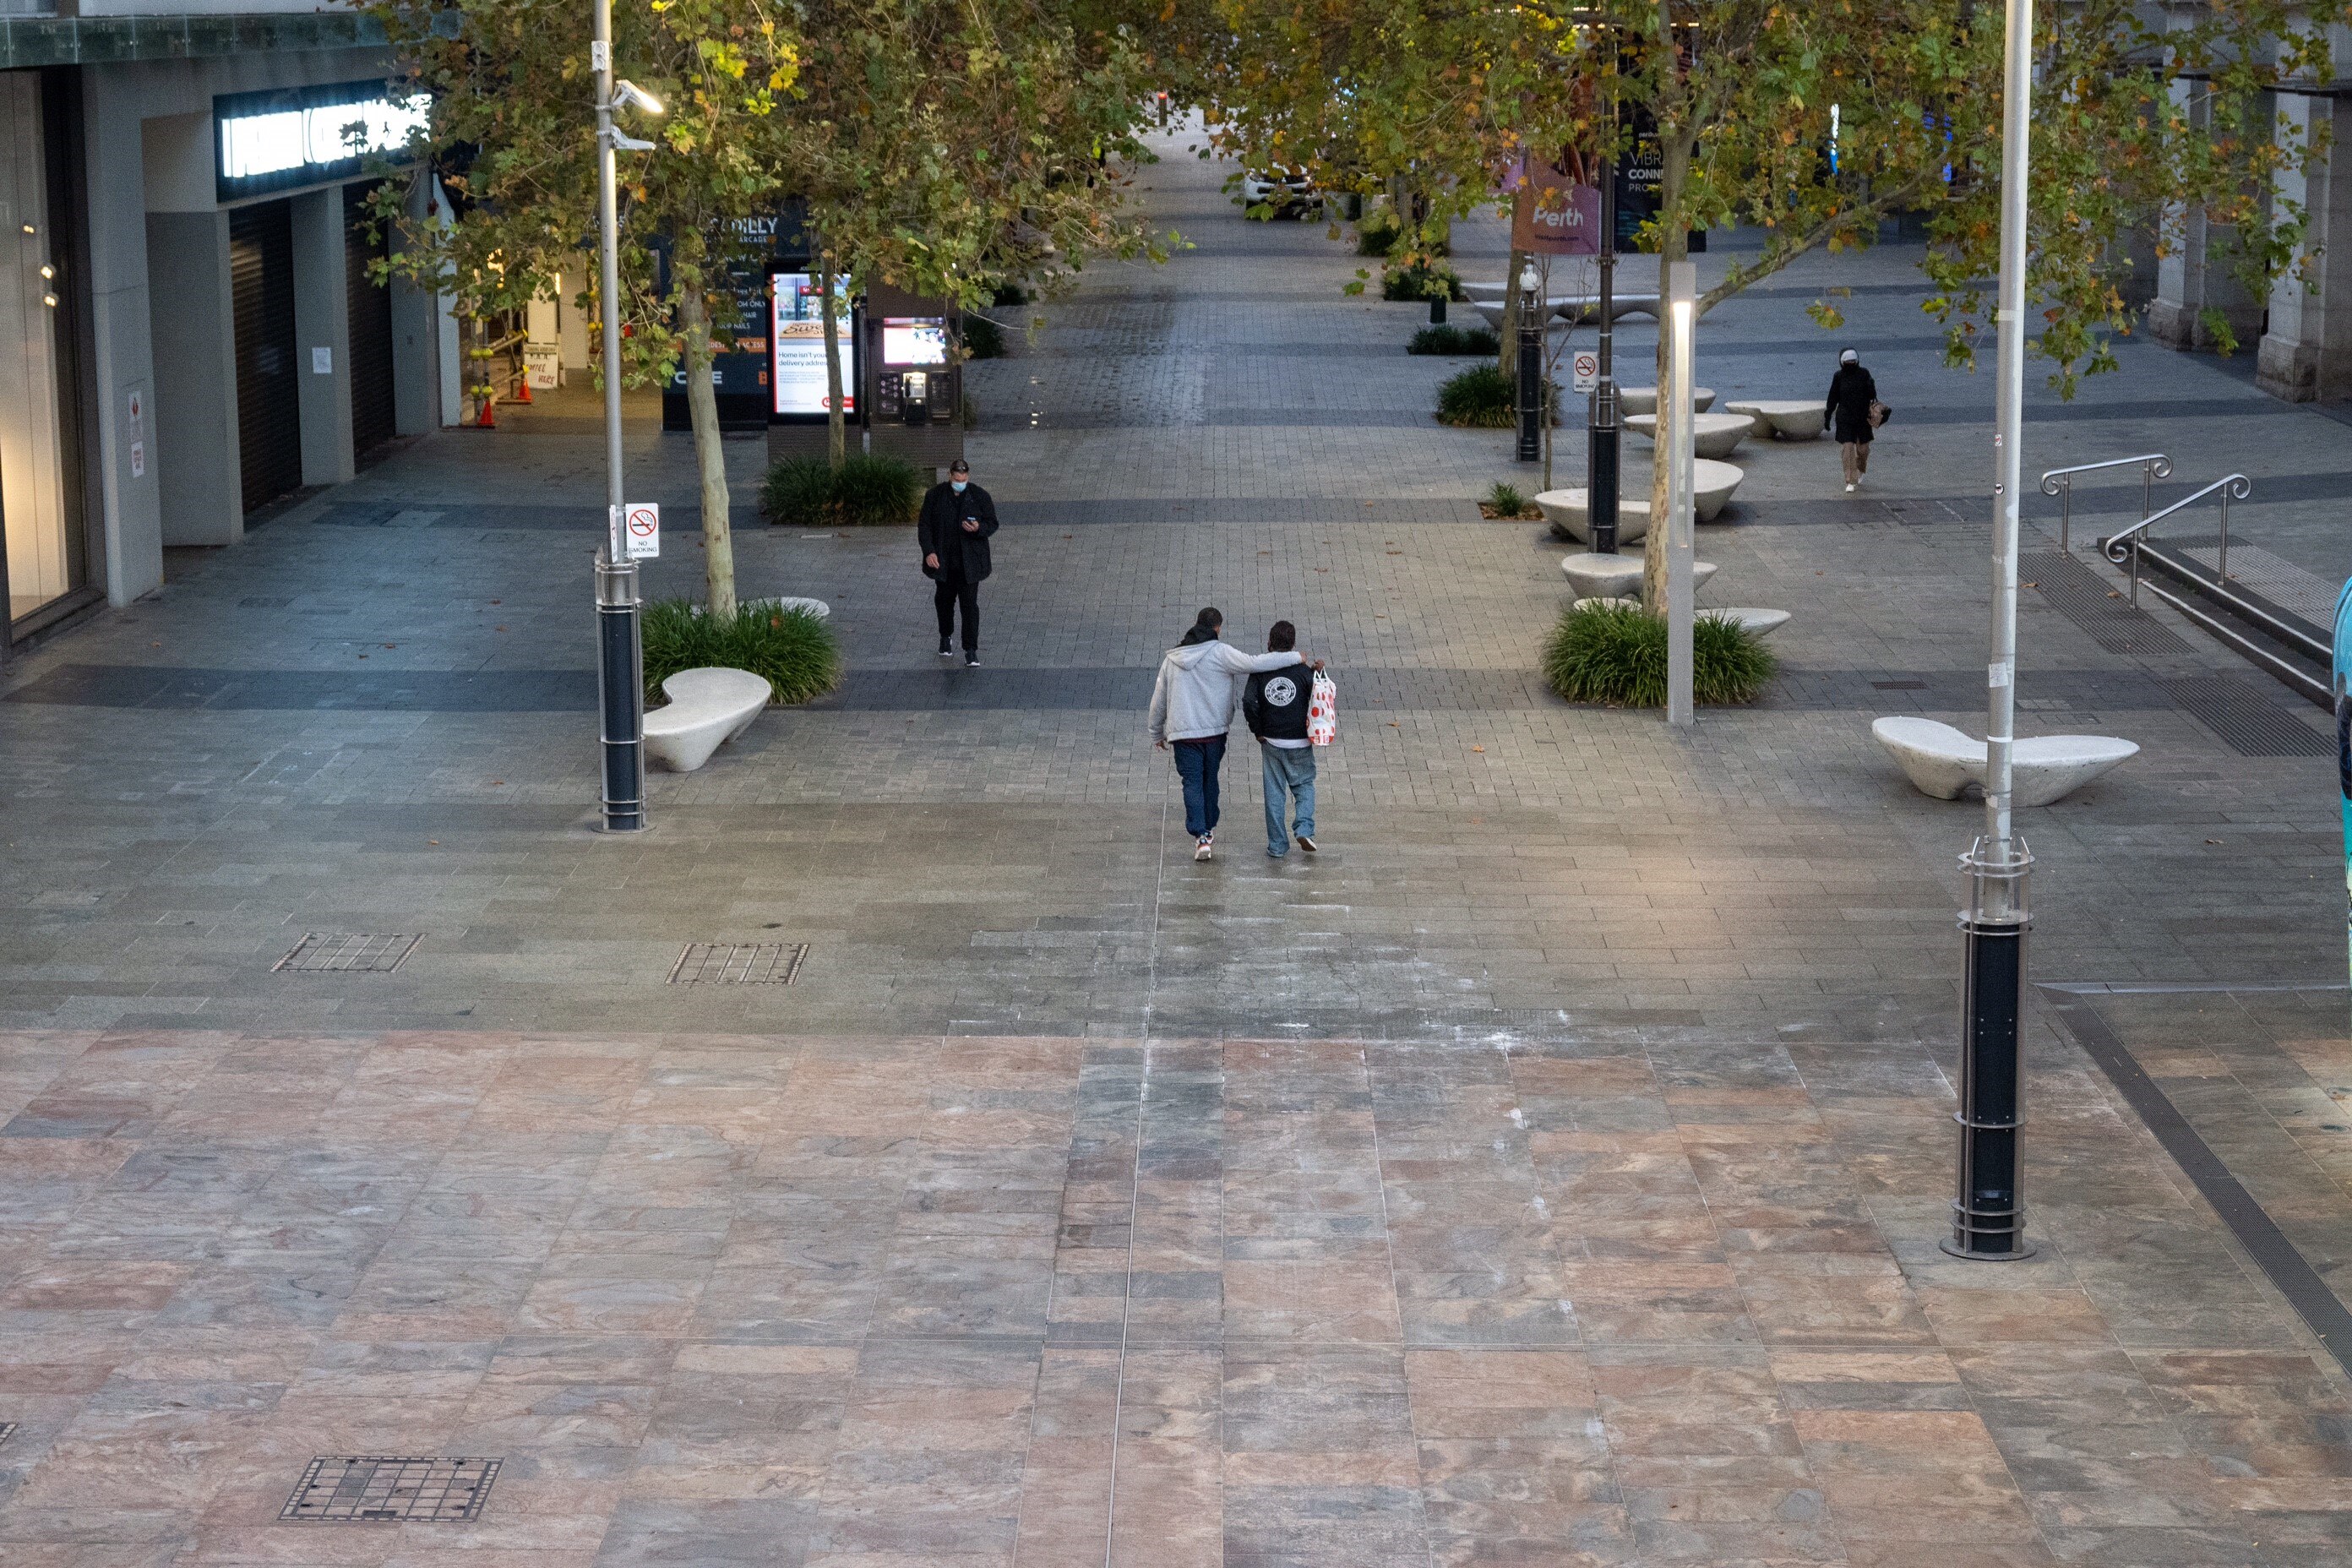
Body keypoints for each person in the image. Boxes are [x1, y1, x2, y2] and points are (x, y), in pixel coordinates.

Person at [1146, 607, 1320, 862]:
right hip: (1215, 733)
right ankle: (1214, 825)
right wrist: (1296, 658)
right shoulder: (1221, 653)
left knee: (1192, 782)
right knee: (1210, 780)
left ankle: (1202, 835)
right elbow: (1255, 663)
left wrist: (1155, 732)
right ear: (1217, 628)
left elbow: (1159, 698)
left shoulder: (1172, 658)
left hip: (1183, 734)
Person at [1241, 620, 1319, 858]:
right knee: (1304, 785)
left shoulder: (1261, 671)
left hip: (1272, 740)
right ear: (1293, 643)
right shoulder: (1304, 671)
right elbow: (1319, 697)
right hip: (1300, 741)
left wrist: (1258, 730)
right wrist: (1318, 672)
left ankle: (1277, 845)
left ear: (1269, 643)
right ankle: (1304, 828)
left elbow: (1248, 701)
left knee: (1274, 793)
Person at [919, 458, 998, 666]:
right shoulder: (935, 496)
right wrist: (929, 552)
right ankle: (945, 636)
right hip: (944, 563)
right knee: (944, 601)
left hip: (969, 564)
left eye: (963, 479)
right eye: (956, 479)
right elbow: (925, 527)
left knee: (969, 606)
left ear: (968, 477)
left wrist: (978, 529)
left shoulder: (980, 496)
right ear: (949, 476)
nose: (960, 482)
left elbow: (992, 523)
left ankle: (970, 649)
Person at [1825, 347, 1878, 493]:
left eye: (1852, 362)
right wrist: (1828, 416)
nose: (1850, 364)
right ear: (1842, 363)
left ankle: (1861, 468)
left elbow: (1872, 394)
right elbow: (1833, 397)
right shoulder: (1839, 377)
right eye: (1847, 362)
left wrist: (1870, 386)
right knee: (1848, 448)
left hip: (1862, 418)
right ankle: (1850, 480)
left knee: (1863, 450)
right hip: (1845, 418)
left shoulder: (1864, 374)